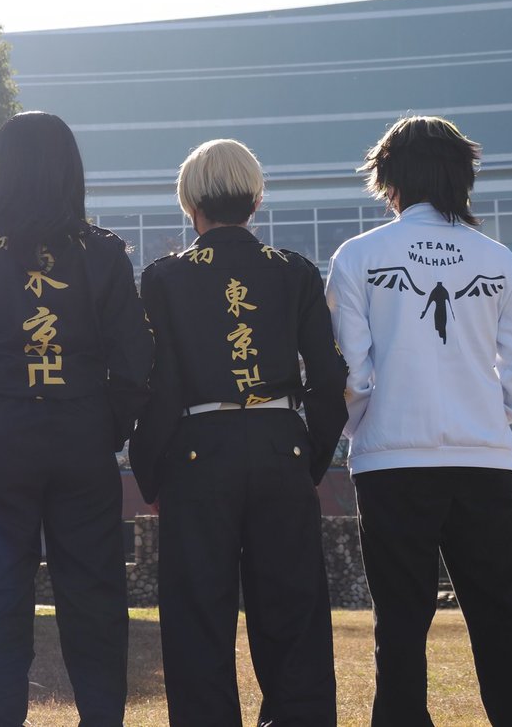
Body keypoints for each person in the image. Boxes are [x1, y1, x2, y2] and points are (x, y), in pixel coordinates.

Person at [0, 111, 154, 727]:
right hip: (83, 438)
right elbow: (135, 359)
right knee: (95, 599)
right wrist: (108, 426)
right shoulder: (102, 251)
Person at [326, 115, 512, 726]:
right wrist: (489, 415)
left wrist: (365, 425)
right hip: (482, 458)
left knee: (401, 619)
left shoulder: (359, 255)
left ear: (389, 179)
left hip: (392, 459)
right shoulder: (500, 260)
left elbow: (352, 369)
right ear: (462, 177)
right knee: (502, 613)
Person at [129, 138, 347, 726]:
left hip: (197, 452)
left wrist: (151, 470)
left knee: (198, 618)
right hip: (282, 444)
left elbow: (158, 387)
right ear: (255, 202)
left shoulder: (164, 277)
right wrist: (309, 458)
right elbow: (330, 378)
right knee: (294, 614)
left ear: (190, 204)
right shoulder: (295, 271)